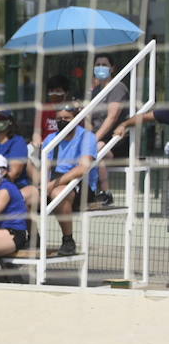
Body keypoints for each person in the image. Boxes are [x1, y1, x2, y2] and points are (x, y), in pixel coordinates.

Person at [36, 102, 98, 257]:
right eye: (59, 118)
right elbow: (45, 167)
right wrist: (43, 184)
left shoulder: (87, 137)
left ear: (76, 118)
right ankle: (30, 238)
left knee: (58, 193)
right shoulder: (51, 138)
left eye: (67, 118)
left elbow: (82, 169)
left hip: (80, 185)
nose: (62, 121)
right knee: (25, 195)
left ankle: (68, 240)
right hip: (53, 182)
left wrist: (52, 184)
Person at [86, 53, 127, 201]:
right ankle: (87, 191)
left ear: (112, 68)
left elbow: (112, 117)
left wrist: (93, 139)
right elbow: (88, 119)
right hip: (96, 139)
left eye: (104, 65)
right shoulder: (95, 91)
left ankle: (105, 192)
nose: (100, 68)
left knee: (98, 147)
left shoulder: (118, 88)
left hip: (115, 139)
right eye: (97, 65)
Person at [34, 75, 71, 145]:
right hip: (45, 147)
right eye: (51, 91)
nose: (54, 94)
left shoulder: (71, 110)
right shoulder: (43, 110)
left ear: (66, 93)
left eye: (58, 91)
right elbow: (37, 133)